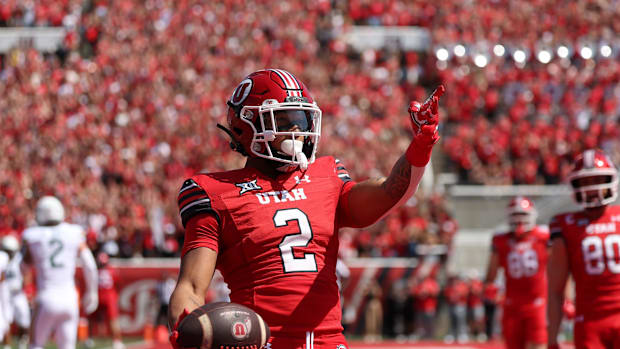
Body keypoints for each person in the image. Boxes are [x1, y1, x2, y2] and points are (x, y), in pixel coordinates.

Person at [168, 69, 444, 349]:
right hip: (265, 344)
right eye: (285, 120)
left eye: (302, 119)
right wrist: (187, 328)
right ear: (247, 125)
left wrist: (421, 144)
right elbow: (191, 286)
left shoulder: (326, 175)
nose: (299, 130)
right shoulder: (214, 190)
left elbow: (389, 193)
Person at [548, 149, 620, 349]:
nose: (592, 188)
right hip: (589, 321)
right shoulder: (565, 224)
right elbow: (556, 289)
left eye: (597, 179)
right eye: (586, 182)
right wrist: (552, 338)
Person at [21, 196, 99, 349]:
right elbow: (89, 264)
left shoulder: (33, 235)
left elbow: (22, 267)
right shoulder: (73, 232)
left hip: (46, 297)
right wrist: (92, 292)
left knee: (36, 345)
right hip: (70, 299)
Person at [484, 196, 549, 349]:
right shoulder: (500, 240)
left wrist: (565, 298)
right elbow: (491, 274)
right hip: (511, 304)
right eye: (515, 215)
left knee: (538, 345)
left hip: (537, 304)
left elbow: (558, 269)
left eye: (523, 215)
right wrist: (490, 288)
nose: (519, 220)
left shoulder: (543, 237)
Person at [88, 252, 124, 349]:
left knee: (95, 318)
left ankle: (90, 339)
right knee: (113, 320)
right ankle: (117, 341)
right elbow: (118, 284)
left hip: (101, 296)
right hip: (107, 296)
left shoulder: (95, 271)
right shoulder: (112, 270)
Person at [0, 235, 31, 349]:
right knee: (6, 320)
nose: (9, 254)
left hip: (18, 293)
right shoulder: (2, 259)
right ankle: (7, 345)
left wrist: (28, 289)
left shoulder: (19, 259)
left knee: (24, 320)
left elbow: (27, 273)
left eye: (10, 251)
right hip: (4, 295)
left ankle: (22, 342)